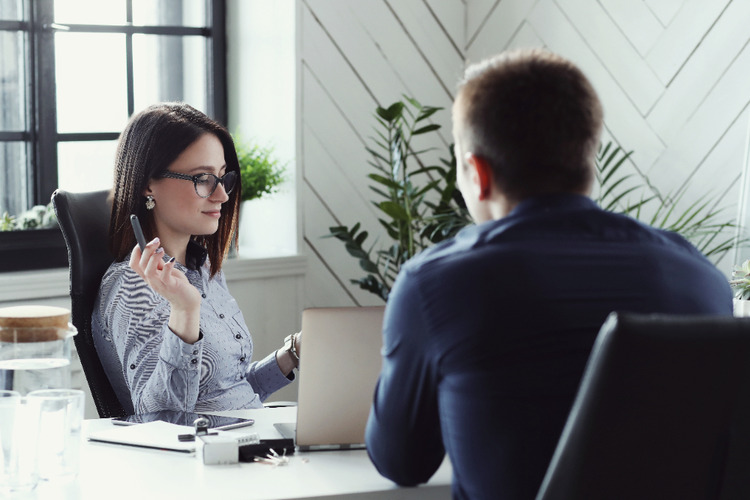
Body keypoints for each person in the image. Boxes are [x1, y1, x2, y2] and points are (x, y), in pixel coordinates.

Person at [364, 49, 733, 499]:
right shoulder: (698, 274)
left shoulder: (436, 284)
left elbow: (402, 462)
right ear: (588, 161)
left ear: (477, 173)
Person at [92, 102, 301, 413]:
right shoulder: (132, 287)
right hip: (205, 458)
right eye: (203, 179)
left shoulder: (202, 268)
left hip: (245, 441)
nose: (223, 195)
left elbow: (228, 394)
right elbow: (161, 422)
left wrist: (293, 353)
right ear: (148, 184)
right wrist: (184, 311)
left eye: (222, 177)